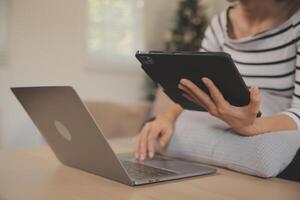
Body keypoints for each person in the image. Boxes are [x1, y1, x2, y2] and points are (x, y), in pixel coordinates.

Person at [135, 0, 300, 177]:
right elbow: (195, 87)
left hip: (270, 120)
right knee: (151, 125)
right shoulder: (220, 24)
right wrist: (167, 116)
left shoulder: (295, 24)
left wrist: (253, 126)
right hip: (222, 116)